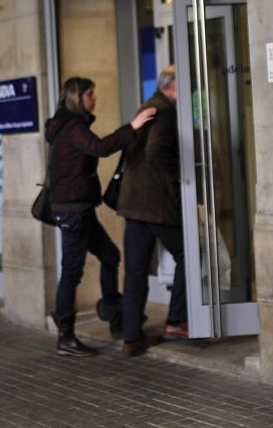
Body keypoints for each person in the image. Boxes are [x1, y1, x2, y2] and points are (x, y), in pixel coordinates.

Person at [45, 76, 156, 357]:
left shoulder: (66, 125)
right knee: (71, 272)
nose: (95, 99)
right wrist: (132, 128)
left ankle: (111, 311)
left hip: (78, 208)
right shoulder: (72, 127)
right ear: (77, 98)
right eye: (90, 95)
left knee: (110, 255)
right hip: (72, 211)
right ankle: (66, 337)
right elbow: (100, 147)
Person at [116, 66, 187, 357]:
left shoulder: (147, 106)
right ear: (173, 85)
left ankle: (131, 337)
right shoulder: (165, 111)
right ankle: (176, 321)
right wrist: (180, 177)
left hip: (134, 204)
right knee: (187, 255)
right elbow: (157, 152)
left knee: (134, 271)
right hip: (155, 203)